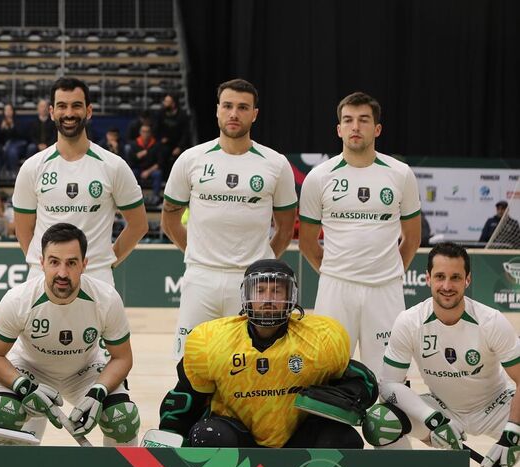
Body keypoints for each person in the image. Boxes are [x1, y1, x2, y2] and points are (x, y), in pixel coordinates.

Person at [376, 242, 520, 467]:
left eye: (455, 277)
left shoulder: (491, 321)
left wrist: (512, 433)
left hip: (495, 406)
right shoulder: (409, 322)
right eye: (440, 277)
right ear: (427, 278)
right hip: (444, 410)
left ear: (468, 279)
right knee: (381, 421)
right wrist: (432, 419)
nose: (447, 286)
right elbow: (388, 385)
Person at [162, 79, 298, 361]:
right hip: (200, 276)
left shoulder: (275, 163)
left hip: (250, 281)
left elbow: (285, 229)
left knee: (247, 364)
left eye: (243, 107)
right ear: (217, 110)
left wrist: (261, 265)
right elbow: (170, 221)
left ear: (255, 114)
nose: (234, 113)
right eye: (228, 106)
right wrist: (197, 253)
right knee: (188, 363)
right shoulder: (191, 159)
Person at [158, 259, 360, 448]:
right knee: (208, 434)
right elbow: (185, 398)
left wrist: (354, 393)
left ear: (291, 296)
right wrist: (170, 440)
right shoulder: (211, 340)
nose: (268, 299)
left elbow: (363, 381)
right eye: (260, 290)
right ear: (246, 295)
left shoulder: (323, 338)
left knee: (343, 437)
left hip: (298, 441)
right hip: (238, 438)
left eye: (276, 291)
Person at [0, 223, 138, 445]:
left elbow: (122, 358)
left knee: (123, 418)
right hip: (31, 370)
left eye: (71, 263)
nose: (62, 273)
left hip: (84, 372)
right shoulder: (18, 300)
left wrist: (99, 391)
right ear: (42, 263)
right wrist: (23, 386)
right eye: (54, 262)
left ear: (84, 264)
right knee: (1, 413)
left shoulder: (106, 299)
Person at [299, 91, 421, 374]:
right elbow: (307, 243)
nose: (355, 127)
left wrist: (387, 272)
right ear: (339, 129)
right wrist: (336, 272)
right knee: (328, 372)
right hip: (335, 289)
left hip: (385, 289)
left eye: (364, 120)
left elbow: (412, 238)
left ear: (377, 129)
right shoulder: (319, 177)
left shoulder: (401, 174)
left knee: (389, 376)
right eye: (348, 120)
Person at [13, 77, 147, 288]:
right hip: (43, 279)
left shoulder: (113, 166)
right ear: (51, 112)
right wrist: (45, 266)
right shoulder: (32, 167)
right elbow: (23, 229)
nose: (69, 113)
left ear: (89, 111)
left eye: (76, 106)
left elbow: (139, 225)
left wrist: (107, 263)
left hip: (96, 279)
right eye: (62, 106)